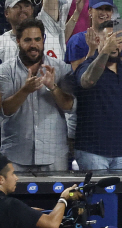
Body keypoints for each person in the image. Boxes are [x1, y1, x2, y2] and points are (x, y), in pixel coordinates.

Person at [0, 18, 75, 172]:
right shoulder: (5, 71)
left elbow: (69, 107)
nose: (33, 45)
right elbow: (4, 111)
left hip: (54, 154)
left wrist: (53, 87)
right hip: (16, 154)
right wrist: (25, 91)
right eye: (28, 40)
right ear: (18, 41)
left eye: (37, 39)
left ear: (43, 40)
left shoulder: (60, 68)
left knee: (58, 196)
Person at [74, 20, 122, 170]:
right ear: (98, 40)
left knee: (120, 194)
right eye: (109, 39)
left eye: (117, 40)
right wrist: (104, 52)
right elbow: (88, 81)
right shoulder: (86, 66)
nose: (114, 45)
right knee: (96, 194)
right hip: (92, 152)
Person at [65, 0, 122, 71]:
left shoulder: (121, 37)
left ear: (112, 12)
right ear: (90, 11)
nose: (104, 13)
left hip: (114, 81)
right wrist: (92, 51)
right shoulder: (76, 40)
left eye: (108, 9)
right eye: (99, 8)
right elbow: (78, 75)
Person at [0, 0, 69, 63]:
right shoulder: (2, 42)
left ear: (32, 9)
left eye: (26, 6)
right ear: (6, 13)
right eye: (16, 7)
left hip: (57, 76)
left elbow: (50, 2)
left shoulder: (47, 24)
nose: (23, 10)